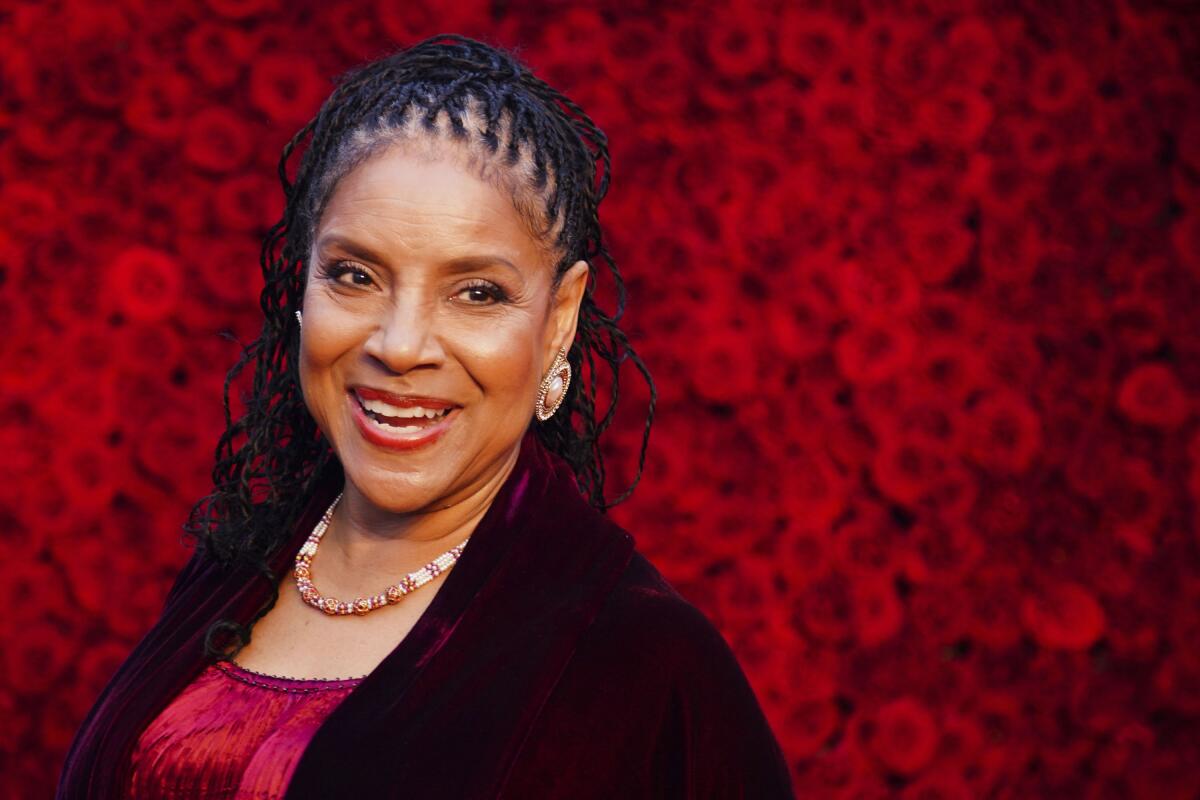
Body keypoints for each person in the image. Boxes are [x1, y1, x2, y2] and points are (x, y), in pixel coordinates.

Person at [57, 34, 794, 799]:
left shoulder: (642, 662)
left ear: (560, 318)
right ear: (301, 282)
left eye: (476, 292)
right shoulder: (234, 570)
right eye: (355, 275)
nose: (400, 345)